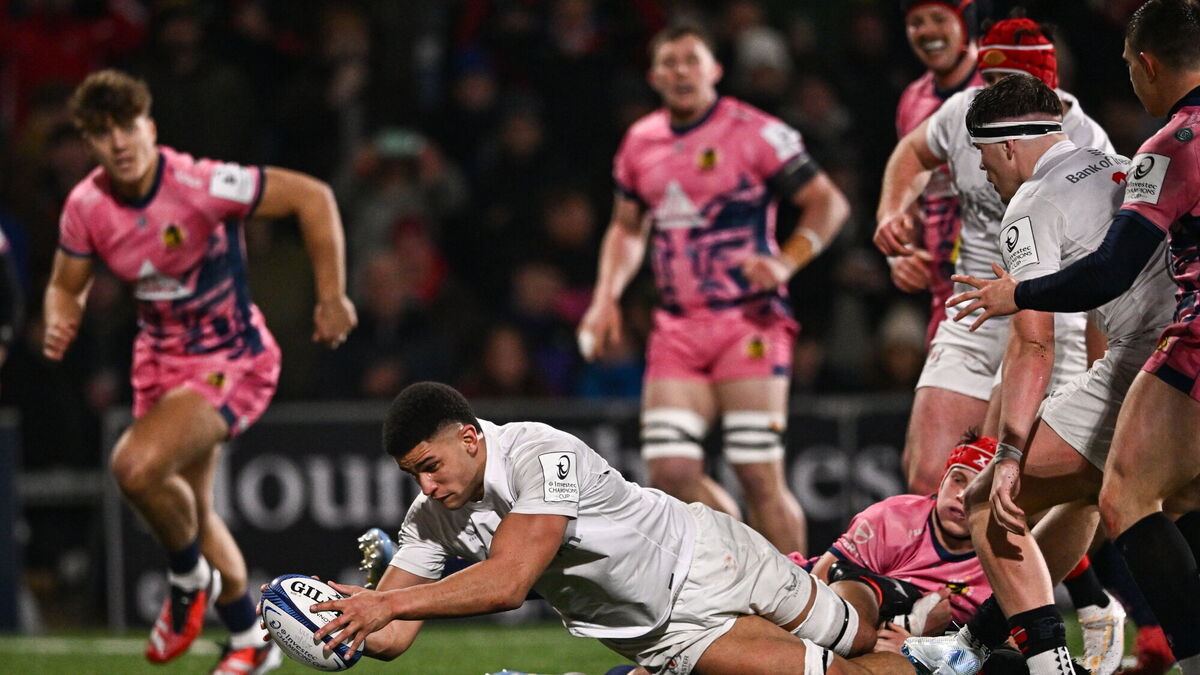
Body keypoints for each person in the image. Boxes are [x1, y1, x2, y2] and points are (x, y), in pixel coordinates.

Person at [45, 69, 357, 674]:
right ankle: (251, 639)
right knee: (193, 507)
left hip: (230, 359)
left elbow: (311, 196)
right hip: (159, 364)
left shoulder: (200, 182)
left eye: (127, 126)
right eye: (103, 132)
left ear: (150, 127)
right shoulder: (86, 205)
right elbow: (65, 283)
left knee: (134, 467)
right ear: (89, 143)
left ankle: (188, 580)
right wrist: (63, 314)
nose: (119, 142)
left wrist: (331, 294)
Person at [306, 382, 913, 675]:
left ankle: (878, 592)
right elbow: (391, 636)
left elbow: (510, 581)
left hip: (712, 556)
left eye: (430, 466)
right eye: (412, 475)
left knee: (859, 637)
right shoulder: (428, 519)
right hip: (669, 635)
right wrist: (327, 618)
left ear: (469, 438)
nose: (426, 486)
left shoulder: (542, 453)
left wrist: (387, 601)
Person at [936, 2, 1200, 672]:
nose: (985, 174)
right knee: (1104, 492)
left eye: (982, 158)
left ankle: (1048, 661)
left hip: (1165, 352)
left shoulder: (1031, 207)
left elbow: (1035, 343)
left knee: (990, 503)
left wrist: (1008, 450)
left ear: (1005, 146)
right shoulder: (1113, 159)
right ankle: (974, 642)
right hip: (1157, 347)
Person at [576, 23, 851, 555]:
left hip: (748, 320)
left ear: (715, 70)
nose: (681, 71)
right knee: (670, 472)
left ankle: (797, 587)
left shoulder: (756, 132)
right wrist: (604, 298)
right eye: (669, 62)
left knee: (757, 472)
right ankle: (750, 565)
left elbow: (828, 203)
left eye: (691, 60)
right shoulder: (640, 141)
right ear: (654, 76)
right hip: (677, 325)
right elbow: (627, 229)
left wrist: (786, 261)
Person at [873, 15, 1110, 496]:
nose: (993, 96)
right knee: (927, 475)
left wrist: (1098, 375)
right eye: (989, 81)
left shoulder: (1088, 152)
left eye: (1008, 82)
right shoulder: (965, 112)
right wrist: (891, 212)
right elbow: (913, 152)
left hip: (1051, 320)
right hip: (974, 309)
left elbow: (1101, 285)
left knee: (1013, 485)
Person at [805, 433, 997, 652]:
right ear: (943, 480)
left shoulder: (1008, 561)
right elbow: (816, 590)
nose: (962, 495)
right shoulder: (891, 519)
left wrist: (918, 647)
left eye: (981, 489)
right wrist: (910, 630)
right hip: (795, 588)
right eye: (958, 479)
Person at [891, 0, 986, 346]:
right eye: (917, 22)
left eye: (939, 18)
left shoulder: (1001, 83)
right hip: (945, 294)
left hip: (1006, 282)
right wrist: (900, 253)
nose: (927, 31)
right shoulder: (911, 101)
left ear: (966, 21)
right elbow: (910, 196)